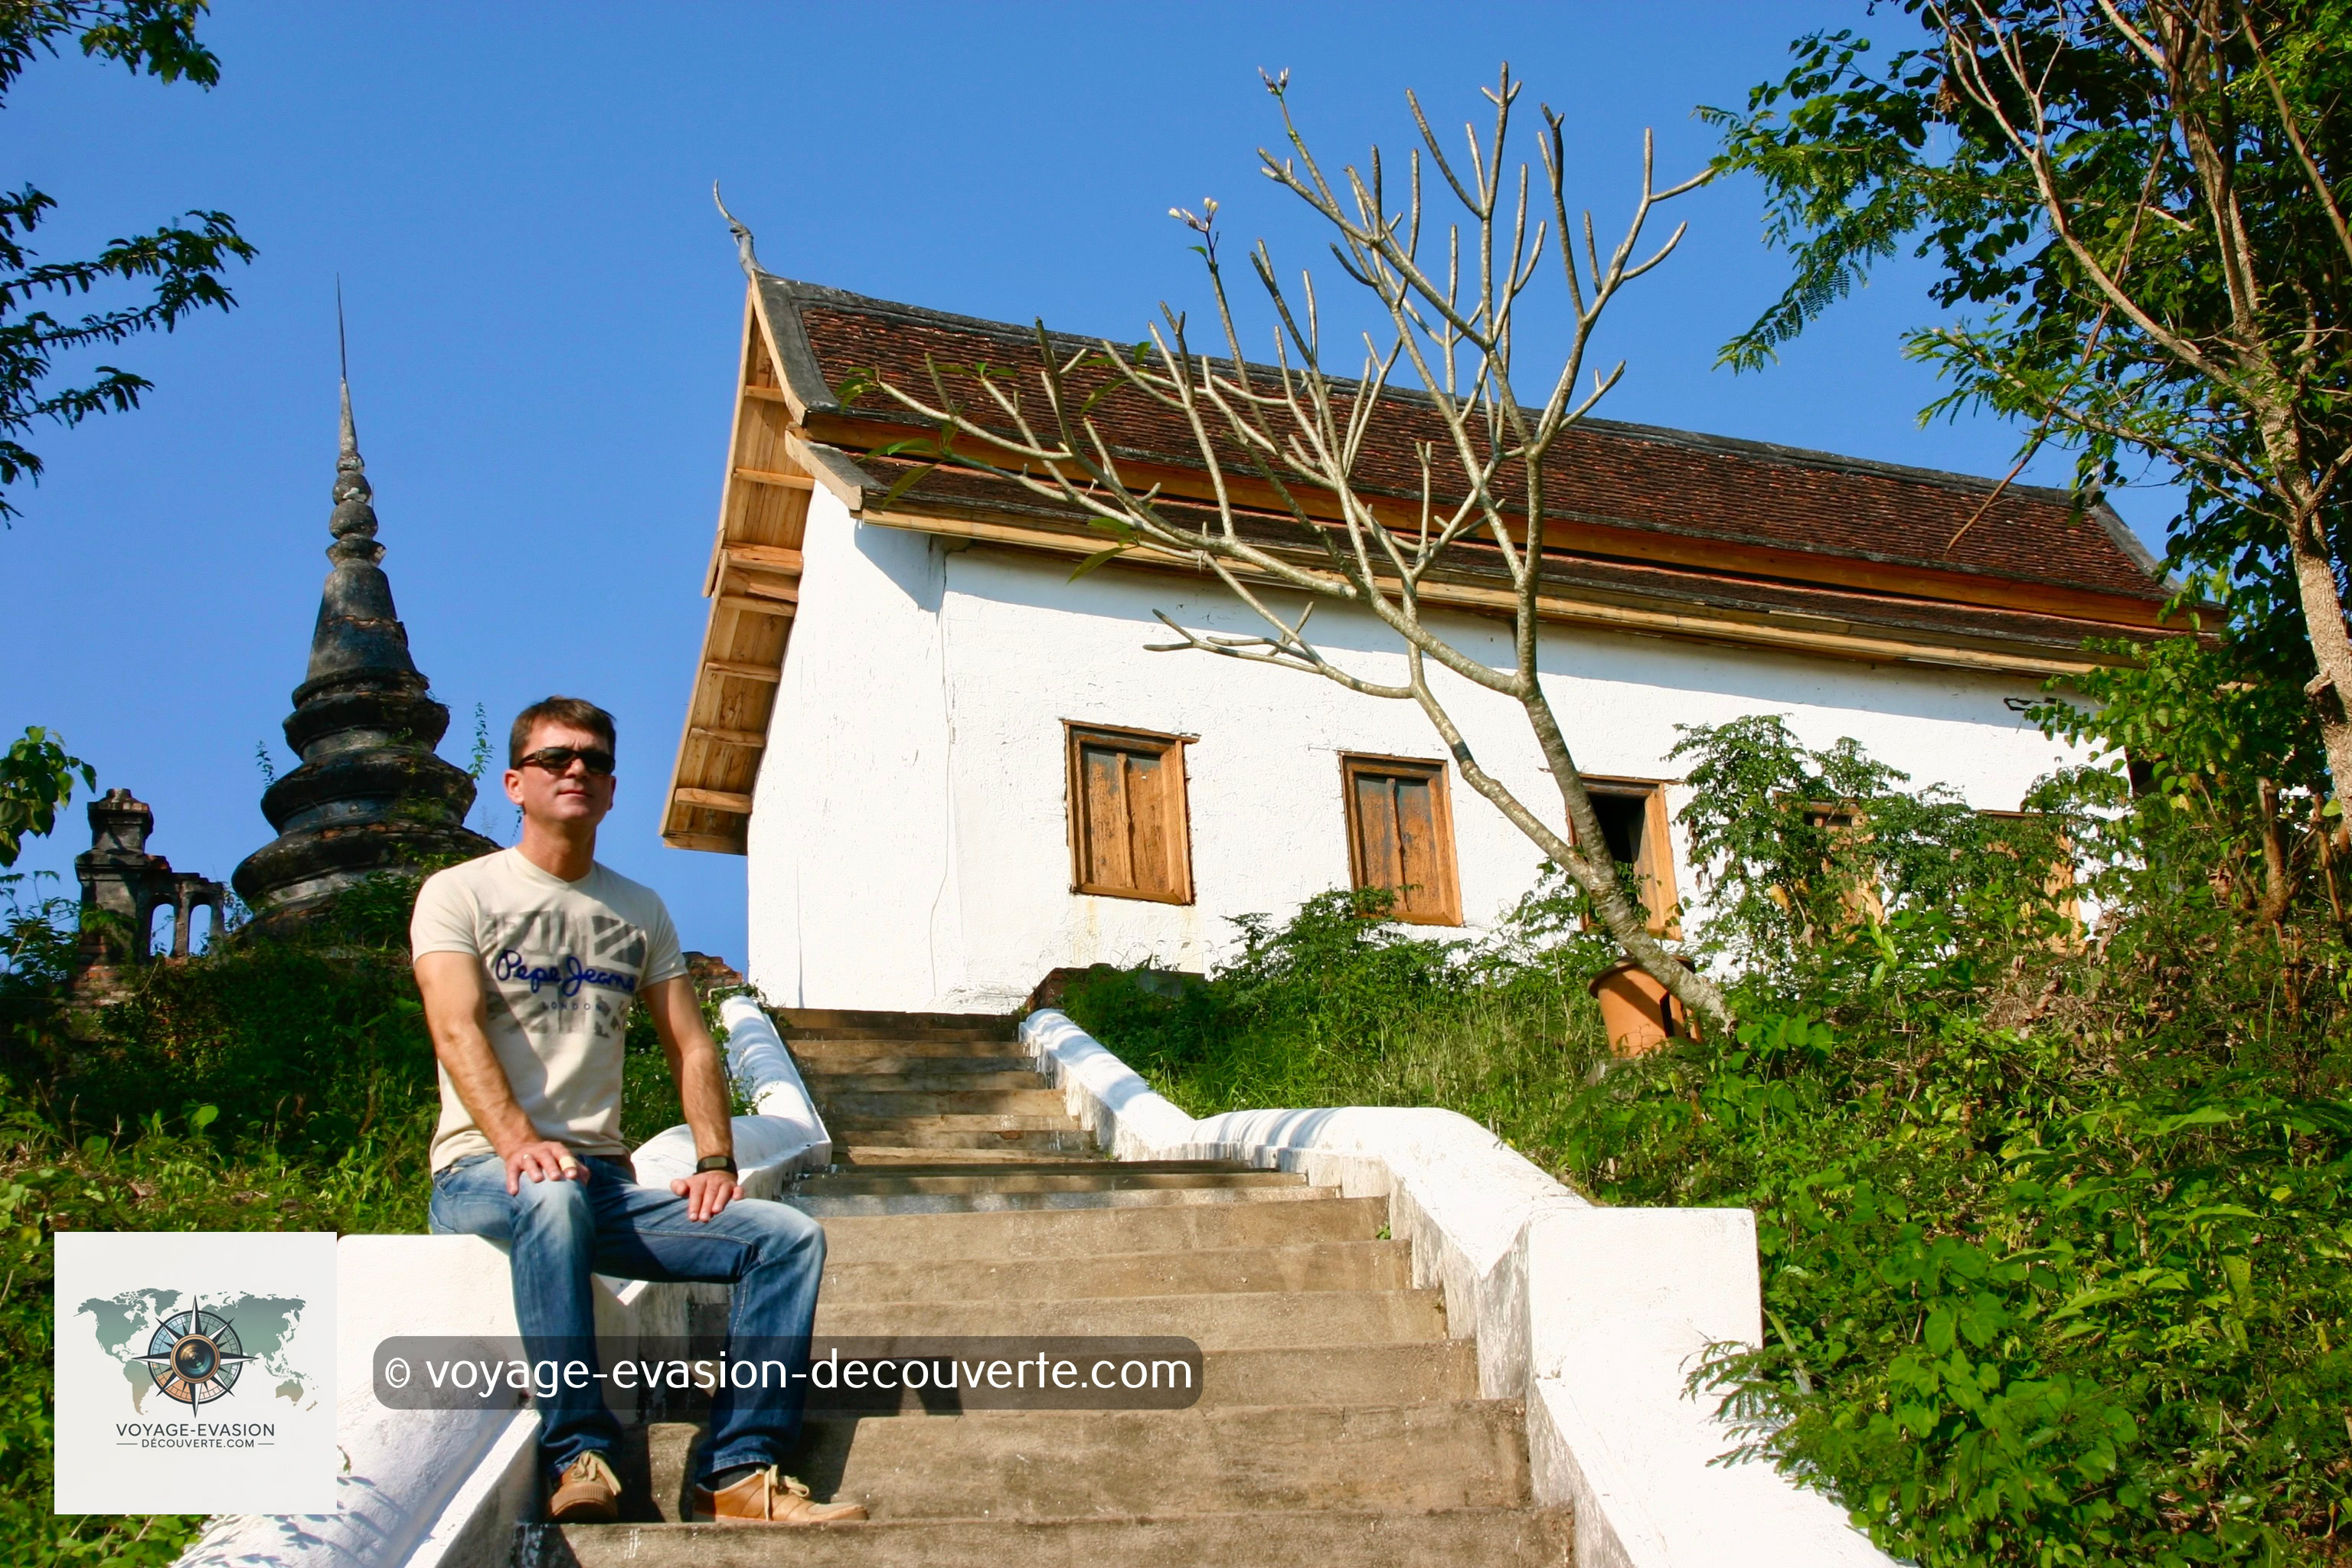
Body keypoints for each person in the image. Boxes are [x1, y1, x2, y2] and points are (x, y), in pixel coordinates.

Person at [410, 695, 863, 1527]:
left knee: (786, 1237)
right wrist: (518, 1141)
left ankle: (739, 1472)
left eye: (595, 759)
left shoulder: (638, 908)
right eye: (555, 758)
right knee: (551, 1193)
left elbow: (691, 1043)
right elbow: (454, 1025)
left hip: (603, 1186)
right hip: (483, 1173)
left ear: (613, 789)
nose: (576, 769)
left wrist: (716, 1158)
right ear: (515, 782)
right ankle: (578, 1454)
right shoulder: (460, 892)